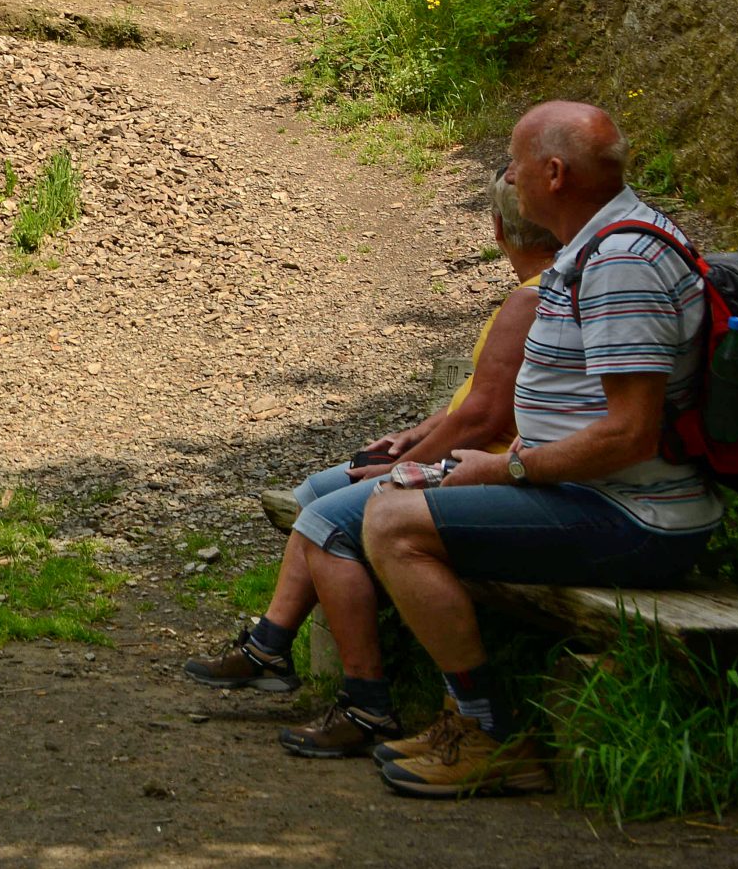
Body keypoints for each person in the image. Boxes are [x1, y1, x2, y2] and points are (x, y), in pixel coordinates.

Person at [366, 100, 718, 798]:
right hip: (593, 495)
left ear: (553, 173)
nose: (507, 177)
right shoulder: (596, 246)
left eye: (516, 163)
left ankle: (486, 731)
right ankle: (465, 717)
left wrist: (504, 465)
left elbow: (630, 432)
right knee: (396, 499)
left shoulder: (622, 260)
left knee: (391, 521)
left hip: (638, 519)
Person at [184, 170, 559, 756]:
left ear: (498, 230)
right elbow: (477, 405)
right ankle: (270, 648)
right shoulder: (541, 290)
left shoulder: (530, 299)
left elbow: (484, 422)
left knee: (326, 520)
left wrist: (398, 470)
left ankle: (365, 702)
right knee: (313, 493)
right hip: (470, 458)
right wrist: (412, 437)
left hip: (477, 471)